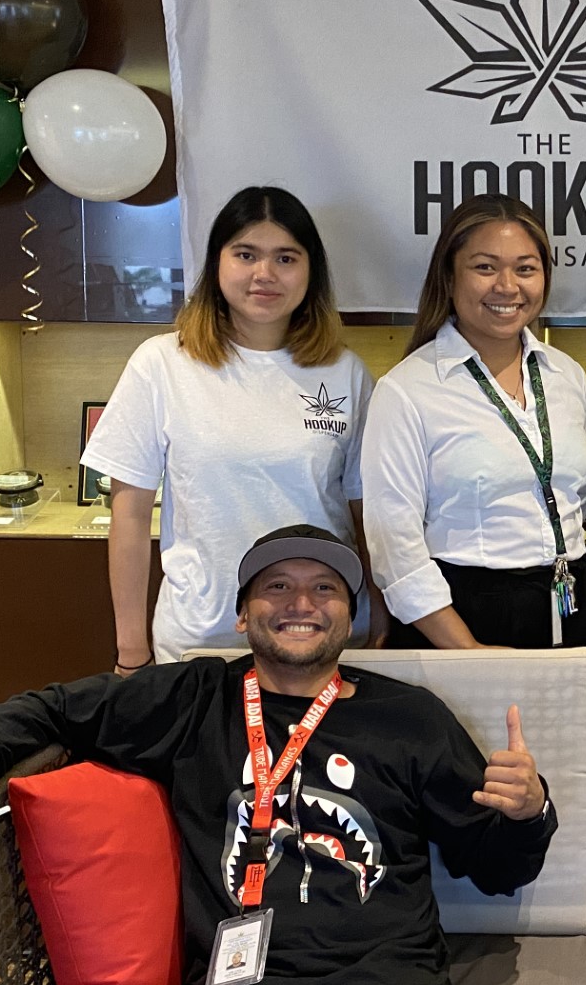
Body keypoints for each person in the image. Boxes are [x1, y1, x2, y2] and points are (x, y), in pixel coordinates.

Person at [0, 524, 556, 985]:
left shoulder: (411, 716)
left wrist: (529, 812)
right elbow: (44, 711)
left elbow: (498, 869)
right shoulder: (191, 696)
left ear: (350, 617)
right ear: (243, 614)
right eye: (278, 586)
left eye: (325, 588)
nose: (301, 603)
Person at [82, 186, 386, 668]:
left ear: (311, 271)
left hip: (322, 637)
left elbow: (366, 514)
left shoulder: (344, 371)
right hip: (202, 640)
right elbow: (131, 517)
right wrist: (131, 650)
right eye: (246, 254)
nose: (264, 274)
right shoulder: (161, 364)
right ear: (216, 263)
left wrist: (380, 618)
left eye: (286, 258)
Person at [361, 194, 586, 649]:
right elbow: (394, 546)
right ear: (449, 276)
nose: (507, 286)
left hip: (569, 600)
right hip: (459, 615)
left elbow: (577, 493)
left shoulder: (567, 375)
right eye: (485, 267)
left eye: (525, 268)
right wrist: (467, 651)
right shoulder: (408, 390)